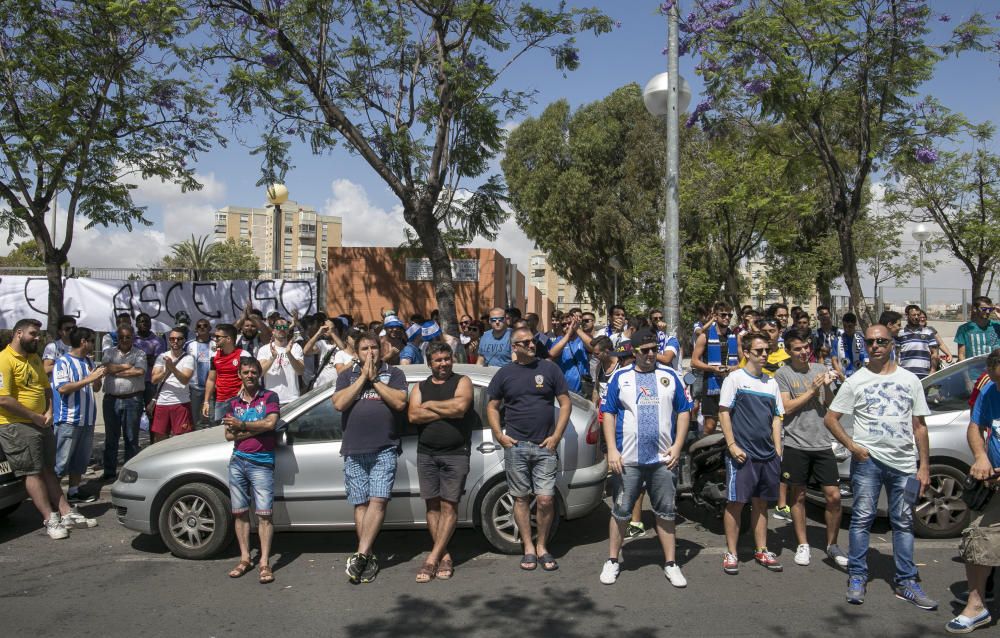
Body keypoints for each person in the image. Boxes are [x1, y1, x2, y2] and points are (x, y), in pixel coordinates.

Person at [825, 324, 936, 609]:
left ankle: (907, 581)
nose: (875, 346)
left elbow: (919, 426)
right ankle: (858, 576)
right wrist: (852, 447)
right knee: (862, 519)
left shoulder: (910, 380)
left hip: (903, 464)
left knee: (903, 522)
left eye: (881, 342)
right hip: (868, 462)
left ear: (891, 344)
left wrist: (923, 467)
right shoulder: (855, 381)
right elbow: (831, 418)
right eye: (871, 342)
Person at [599, 329, 692, 586]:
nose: (651, 354)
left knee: (666, 512)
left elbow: (685, 411)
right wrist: (612, 450)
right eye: (645, 350)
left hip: (663, 460)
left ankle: (671, 563)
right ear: (634, 351)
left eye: (654, 349)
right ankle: (612, 560)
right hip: (627, 460)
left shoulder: (670, 375)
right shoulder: (620, 377)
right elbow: (608, 413)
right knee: (620, 512)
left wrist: (677, 446)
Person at [487, 326, 572, 572]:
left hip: (545, 446)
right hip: (516, 447)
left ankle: (543, 546)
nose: (531, 345)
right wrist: (499, 435)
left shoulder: (549, 369)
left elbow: (565, 403)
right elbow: (492, 406)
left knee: (545, 499)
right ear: (514, 347)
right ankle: (528, 548)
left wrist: (556, 436)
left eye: (532, 341)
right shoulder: (504, 374)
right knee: (521, 498)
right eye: (525, 343)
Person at [0, 319, 92, 539]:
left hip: (41, 422)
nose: (38, 338)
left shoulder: (33, 359)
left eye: (39, 334)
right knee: (32, 472)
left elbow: (47, 389)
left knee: (48, 469)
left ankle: (66, 511)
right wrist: (33, 416)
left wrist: (49, 413)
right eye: (33, 334)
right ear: (18, 333)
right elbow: (3, 399)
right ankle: (50, 518)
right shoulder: (4, 360)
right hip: (17, 424)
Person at [333, 332, 408, 584]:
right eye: (364, 349)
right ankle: (368, 554)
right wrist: (362, 378)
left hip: (384, 447)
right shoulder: (346, 375)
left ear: (381, 348)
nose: (370, 353)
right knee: (361, 503)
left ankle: (361, 554)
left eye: (373, 347)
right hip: (354, 449)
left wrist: (375, 380)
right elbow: (339, 404)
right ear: (357, 352)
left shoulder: (394, 374)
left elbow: (399, 403)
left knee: (379, 500)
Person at [775, 328, 847, 568]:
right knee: (799, 495)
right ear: (788, 351)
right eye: (798, 349)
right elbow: (786, 407)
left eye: (806, 347)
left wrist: (826, 386)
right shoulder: (783, 373)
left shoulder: (820, 369)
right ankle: (803, 544)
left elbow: (831, 405)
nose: (804, 352)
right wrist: (812, 390)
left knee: (834, 496)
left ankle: (832, 545)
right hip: (796, 442)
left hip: (822, 442)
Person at [407, 342, 474, 583]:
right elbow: (413, 415)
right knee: (432, 506)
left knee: (449, 506)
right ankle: (444, 554)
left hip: (455, 453)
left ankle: (432, 558)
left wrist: (431, 405)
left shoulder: (462, 381)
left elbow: (460, 408)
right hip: (426, 454)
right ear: (429, 363)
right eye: (438, 360)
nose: (443, 363)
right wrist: (446, 409)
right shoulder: (419, 386)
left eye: (446, 358)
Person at [719, 331, 785, 575]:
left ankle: (762, 550)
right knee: (735, 503)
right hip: (742, 455)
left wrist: (777, 450)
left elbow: (777, 418)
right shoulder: (735, 379)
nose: (764, 354)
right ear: (746, 353)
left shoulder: (772, 383)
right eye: (759, 351)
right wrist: (732, 445)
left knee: (761, 504)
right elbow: (724, 412)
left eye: (766, 350)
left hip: (768, 456)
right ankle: (732, 552)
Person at [946, 348, 1000, 633]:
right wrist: (981, 457)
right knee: (977, 541)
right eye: (996, 379)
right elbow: (975, 425)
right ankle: (977, 606)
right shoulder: (990, 389)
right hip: (994, 484)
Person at [222, 358, 280, 585]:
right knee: (240, 513)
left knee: (264, 515)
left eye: (253, 372)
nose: (250, 375)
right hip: (238, 461)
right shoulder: (233, 403)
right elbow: (228, 435)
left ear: (259, 374)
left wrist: (242, 426)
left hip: (262, 462)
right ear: (239, 375)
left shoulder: (269, 397)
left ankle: (265, 562)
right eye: (245, 372)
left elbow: (270, 424)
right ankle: (245, 558)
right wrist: (254, 427)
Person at [52, 327, 105, 504]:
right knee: (61, 463)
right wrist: (90, 379)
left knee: (80, 461)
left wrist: (97, 379)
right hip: (69, 420)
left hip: (87, 419)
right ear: (83, 342)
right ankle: (53, 499)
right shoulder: (63, 362)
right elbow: (63, 388)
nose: (92, 344)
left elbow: (95, 388)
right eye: (91, 341)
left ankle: (73, 492)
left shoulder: (88, 362)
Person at [101, 324, 147, 480]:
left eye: (128, 337)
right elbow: (106, 368)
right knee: (111, 438)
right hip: (111, 400)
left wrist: (116, 370)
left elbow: (139, 371)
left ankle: (130, 473)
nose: (125, 340)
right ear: (117, 338)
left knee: (131, 438)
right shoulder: (109, 352)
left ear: (133, 337)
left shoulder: (140, 353)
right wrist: (128, 366)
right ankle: (109, 473)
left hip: (132, 400)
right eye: (122, 337)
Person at [691, 302, 738, 436]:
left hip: (730, 384)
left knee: (730, 424)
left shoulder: (734, 337)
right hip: (711, 383)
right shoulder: (704, 336)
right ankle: (705, 452)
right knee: (710, 425)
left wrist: (732, 368)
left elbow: (743, 363)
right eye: (723, 315)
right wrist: (713, 369)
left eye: (729, 315)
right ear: (715, 316)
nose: (727, 318)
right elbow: (694, 362)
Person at [150, 328, 195, 443]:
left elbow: (184, 379)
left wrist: (172, 368)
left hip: (181, 403)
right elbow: (154, 380)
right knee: (159, 440)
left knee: (182, 441)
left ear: (184, 341)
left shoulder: (188, 358)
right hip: (162, 403)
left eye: (179, 339)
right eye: (172, 339)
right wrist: (166, 371)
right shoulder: (162, 357)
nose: (175, 341)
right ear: (169, 341)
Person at [202, 324, 253, 424]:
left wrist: (243, 388)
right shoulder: (214, 356)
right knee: (219, 432)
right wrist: (206, 401)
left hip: (239, 400)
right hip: (220, 401)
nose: (215, 339)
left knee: (241, 429)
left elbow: (250, 377)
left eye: (218, 337)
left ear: (228, 339)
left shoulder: (243, 355)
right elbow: (211, 380)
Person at [256, 318, 305, 405]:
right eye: (278, 327)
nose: (282, 329)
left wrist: (289, 354)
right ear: (273, 331)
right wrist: (272, 358)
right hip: (271, 400)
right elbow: (259, 373)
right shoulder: (264, 349)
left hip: (292, 399)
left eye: (285, 327)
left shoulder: (296, 347)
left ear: (288, 330)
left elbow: (300, 371)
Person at [547, 314, 591, 394]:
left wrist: (577, 329)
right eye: (564, 325)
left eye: (570, 323)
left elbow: (593, 347)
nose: (567, 326)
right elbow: (552, 354)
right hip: (565, 389)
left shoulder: (582, 338)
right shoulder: (559, 340)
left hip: (584, 389)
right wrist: (568, 335)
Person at [185, 319, 215, 428]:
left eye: (205, 325)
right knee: (196, 420)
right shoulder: (188, 345)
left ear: (210, 328)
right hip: (194, 388)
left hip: (212, 389)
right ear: (195, 329)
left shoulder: (216, 344)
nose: (202, 327)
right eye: (199, 326)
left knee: (212, 419)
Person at [895, 304, 938, 379]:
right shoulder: (900, 334)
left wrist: (933, 370)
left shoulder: (928, 332)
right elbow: (896, 354)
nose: (917, 317)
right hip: (905, 374)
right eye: (914, 315)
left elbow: (934, 353)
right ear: (907, 315)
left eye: (918, 315)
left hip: (924, 374)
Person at [133, 313, 166, 408]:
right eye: (141, 321)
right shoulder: (131, 339)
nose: (144, 323)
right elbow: (129, 361)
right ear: (136, 324)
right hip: (134, 381)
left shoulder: (158, 340)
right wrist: (149, 356)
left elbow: (157, 362)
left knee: (151, 411)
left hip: (151, 382)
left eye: (147, 321)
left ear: (151, 324)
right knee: (135, 412)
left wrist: (138, 357)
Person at [956, 296, 1000, 361]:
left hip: (994, 369)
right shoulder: (964, 329)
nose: (987, 312)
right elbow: (961, 355)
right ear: (975, 309)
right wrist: (966, 370)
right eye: (984, 309)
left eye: (990, 309)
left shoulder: (997, 325)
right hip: (974, 369)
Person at [834, 313, 868, 379]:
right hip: (843, 378)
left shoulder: (862, 340)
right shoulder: (838, 339)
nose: (847, 329)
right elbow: (834, 360)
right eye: (845, 326)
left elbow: (867, 360)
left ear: (855, 324)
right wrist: (841, 376)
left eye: (850, 326)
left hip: (859, 377)